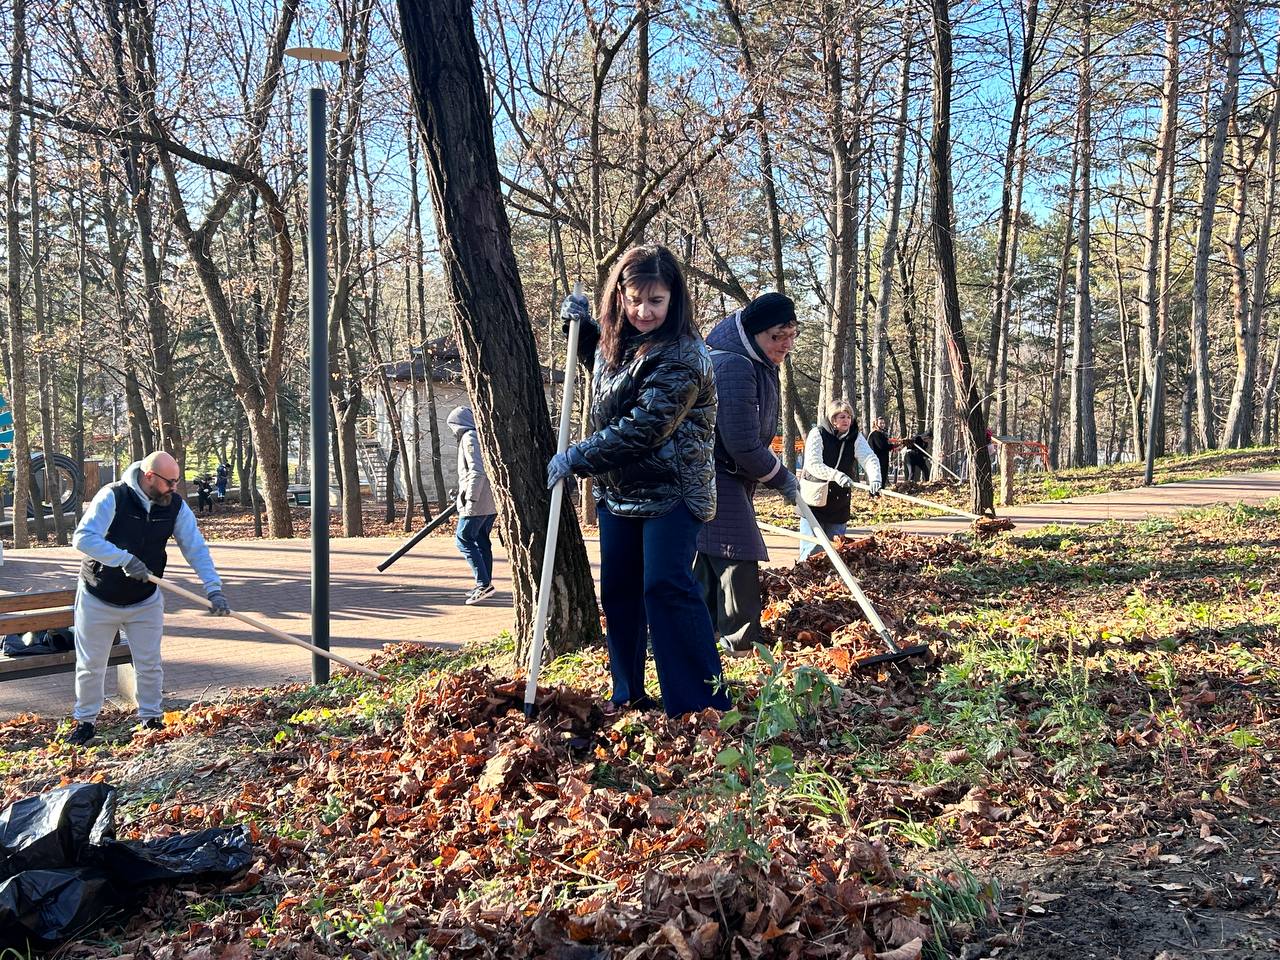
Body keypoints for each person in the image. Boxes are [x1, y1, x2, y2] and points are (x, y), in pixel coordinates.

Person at [550, 244, 730, 717]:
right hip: (620, 492)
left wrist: (577, 457)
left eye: (655, 301)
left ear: (674, 300)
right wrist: (582, 332)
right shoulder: (618, 341)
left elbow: (646, 425)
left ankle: (698, 704)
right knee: (620, 591)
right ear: (619, 297)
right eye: (634, 300)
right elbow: (616, 374)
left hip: (674, 490)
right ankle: (627, 692)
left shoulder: (685, 356)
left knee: (665, 586)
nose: (643, 311)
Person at [67, 451, 230, 746]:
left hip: (145, 599)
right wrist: (124, 559)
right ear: (149, 477)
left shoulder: (175, 506)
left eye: (177, 481)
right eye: (170, 482)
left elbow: (195, 547)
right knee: (91, 665)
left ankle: (151, 719)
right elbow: (83, 538)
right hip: (98, 595)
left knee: (149, 662)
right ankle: (86, 722)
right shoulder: (113, 496)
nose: (174, 488)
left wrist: (213, 588)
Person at [693, 292, 800, 655]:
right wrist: (783, 478)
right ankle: (741, 643)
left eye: (791, 335)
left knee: (710, 553)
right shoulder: (734, 365)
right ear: (754, 334)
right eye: (776, 337)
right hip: (714, 473)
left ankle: (700, 634)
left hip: (726, 474)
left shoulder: (755, 360)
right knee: (736, 549)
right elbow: (740, 441)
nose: (785, 345)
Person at [797, 399, 882, 560]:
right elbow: (813, 464)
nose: (846, 420)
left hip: (838, 500)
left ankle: (831, 580)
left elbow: (869, 457)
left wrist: (875, 478)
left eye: (849, 417)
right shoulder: (818, 433)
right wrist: (836, 475)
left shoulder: (854, 437)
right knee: (812, 549)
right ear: (832, 419)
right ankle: (807, 579)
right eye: (842, 417)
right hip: (814, 499)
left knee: (836, 548)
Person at [447, 406, 499, 605]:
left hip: (478, 502)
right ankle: (484, 584)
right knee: (480, 540)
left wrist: (470, 499)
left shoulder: (470, 438)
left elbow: (477, 472)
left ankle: (483, 584)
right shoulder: (481, 436)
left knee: (464, 539)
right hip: (488, 502)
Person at [867, 416, 895, 487]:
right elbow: (882, 446)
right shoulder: (875, 434)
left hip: (882, 459)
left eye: (883, 423)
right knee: (879, 477)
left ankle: (880, 492)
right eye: (880, 423)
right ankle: (875, 493)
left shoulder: (881, 434)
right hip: (877, 459)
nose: (882, 424)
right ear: (876, 424)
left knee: (883, 476)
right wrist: (893, 446)